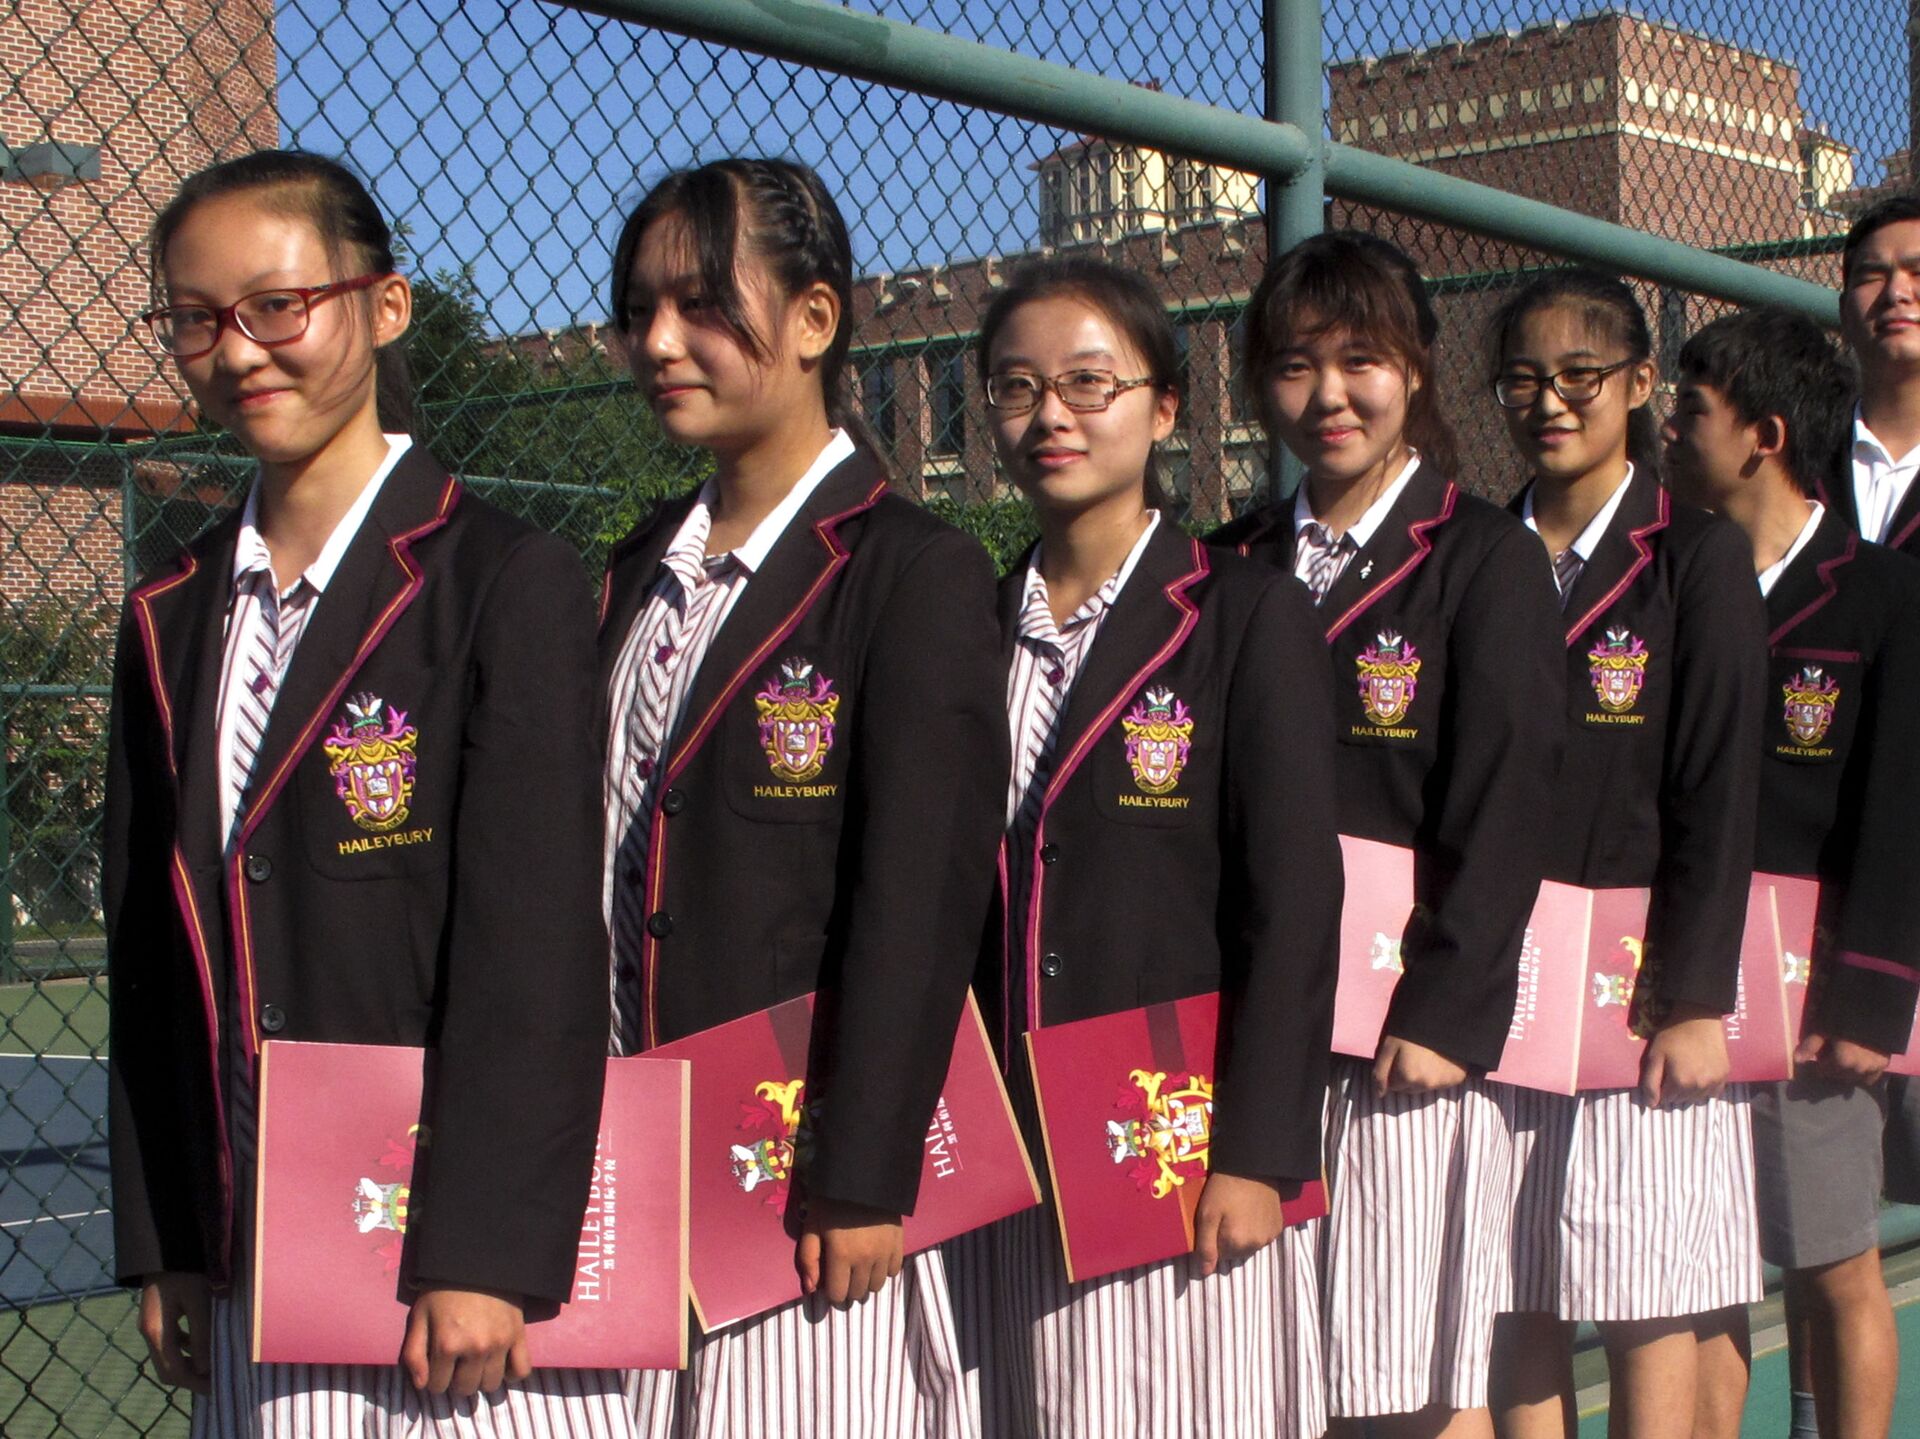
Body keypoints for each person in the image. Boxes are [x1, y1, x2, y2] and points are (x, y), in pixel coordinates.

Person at [107, 149, 621, 1436]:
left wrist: (486, 1248)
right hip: (251, 1229)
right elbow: (150, 947)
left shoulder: (501, 578)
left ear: (385, 306)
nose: (238, 351)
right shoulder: (169, 609)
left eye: (278, 305)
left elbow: (534, 942)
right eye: (196, 318)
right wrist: (170, 1231)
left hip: (442, 1256)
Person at [600, 157, 1005, 1437]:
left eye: (703, 305)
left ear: (816, 318)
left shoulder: (911, 572)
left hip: (797, 1180)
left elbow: (920, 896)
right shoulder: (629, 571)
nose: (661, 342)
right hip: (627, 1155)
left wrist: (864, 1169)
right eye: (640, 310)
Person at [949, 256, 1343, 1438]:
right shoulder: (969, 623)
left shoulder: (1243, 612)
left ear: (1165, 406)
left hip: (1168, 1141)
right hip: (1007, 1141)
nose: (1051, 416)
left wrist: (1257, 1152)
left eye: (1088, 382)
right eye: (1017, 387)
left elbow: (1292, 899)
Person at [1214, 231, 1564, 1439]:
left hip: (1397, 1033)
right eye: (1295, 364)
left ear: (1414, 368)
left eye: (1359, 360)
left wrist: (1447, 1008)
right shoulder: (1229, 560)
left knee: (1412, 1372)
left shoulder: (1483, 557)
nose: (1329, 395)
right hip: (1253, 1026)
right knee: (1275, 1368)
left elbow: (1508, 800)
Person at [1484, 270, 1767, 1439]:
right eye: (1523, 379)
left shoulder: (1695, 555)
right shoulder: (1476, 550)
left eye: (1580, 376)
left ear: (1641, 382)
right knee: (1512, 1281)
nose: (1550, 402)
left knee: (1647, 1280)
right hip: (1495, 974)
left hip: (1634, 985)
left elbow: (1719, 782)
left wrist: (1695, 998)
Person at [1665, 304, 1920, 1439]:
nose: (1670, 430)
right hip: (1678, 977)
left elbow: (1900, 806)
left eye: (1690, 410)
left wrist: (1868, 998)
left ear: (1762, 435)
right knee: (1700, 1270)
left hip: (1809, 991)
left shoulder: (1880, 592)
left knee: (1832, 1260)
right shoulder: (1667, 578)